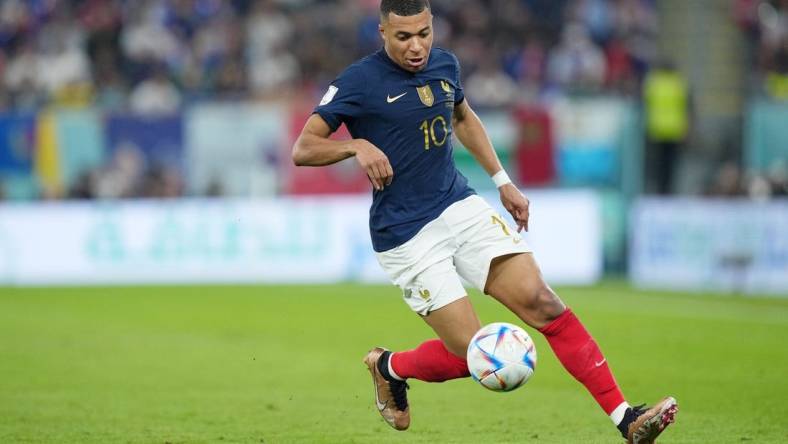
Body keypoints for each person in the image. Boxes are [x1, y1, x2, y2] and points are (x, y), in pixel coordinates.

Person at [291, 1, 678, 443]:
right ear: (382, 32)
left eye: (423, 33)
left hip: (459, 204)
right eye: (403, 37)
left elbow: (462, 117)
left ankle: (626, 419)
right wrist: (356, 145)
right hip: (406, 234)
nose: (416, 46)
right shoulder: (359, 81)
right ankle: (389, 366)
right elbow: (304, 148)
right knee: (472, 356)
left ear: (432, 26)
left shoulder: (444, 65)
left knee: (544, 302)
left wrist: (503, 181)